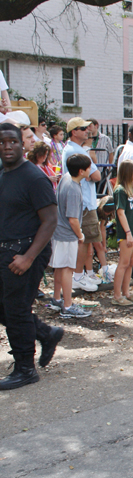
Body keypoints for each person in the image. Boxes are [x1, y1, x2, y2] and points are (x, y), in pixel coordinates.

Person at [0, 123, 64, 390]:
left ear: (22, 144)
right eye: (2, 142)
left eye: (13, 142)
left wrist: (27, 257)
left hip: (27, 251)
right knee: (4, 308)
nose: (7, 147)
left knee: (16, 310)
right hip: (6, 251)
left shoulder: (33, 177)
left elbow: (50, 221)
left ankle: (26, 367)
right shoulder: (3, 174)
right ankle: (46, 334)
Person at [61, 117, 104, 291]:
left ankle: (84, 273)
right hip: (84, 202)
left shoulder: (74, 149)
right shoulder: (76, 151)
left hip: (85, 201)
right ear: (74, 131)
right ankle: (78, 276)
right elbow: (97, 176)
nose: (88, 130)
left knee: (87, 242)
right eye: (83, 128)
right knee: (83, 241)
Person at [50, 153, 93, 319]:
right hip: (67, 234)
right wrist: (80, 235)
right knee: (67, 269)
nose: (91, 170)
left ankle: (56, 298)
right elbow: (73, 219)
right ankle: (67, 306)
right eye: (89, 167)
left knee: (60, 267)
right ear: (82, 171)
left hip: (58, 230)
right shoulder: (74, 189)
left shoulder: (66, 177)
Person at [112, 160, 133, 307]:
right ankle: (117, 295)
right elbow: (120, 212)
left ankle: (126, 293)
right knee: (123, 263)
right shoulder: (120, 190)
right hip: (127, 233)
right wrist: (128, 233)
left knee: (131, 263)